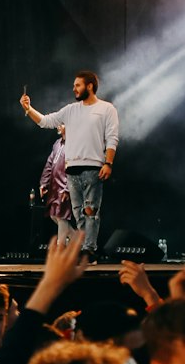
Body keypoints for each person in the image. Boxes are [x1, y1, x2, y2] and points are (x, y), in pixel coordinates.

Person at [20, 70, 119, 262]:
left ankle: (89, 249)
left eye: (78, 85)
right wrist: (28, 109)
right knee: (77, 212)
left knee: (91, 210)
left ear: (89, 86)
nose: (74, 88)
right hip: (72, 168)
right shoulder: (71, 110)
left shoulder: (106, 109)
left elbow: (112, 138)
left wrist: (108, 162)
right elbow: (46, 122)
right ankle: (84, 248)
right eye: (74, 85)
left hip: (93, 166)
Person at [40, 126, 74, 244]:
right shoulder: (57, 143)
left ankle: (61, 247)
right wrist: (43, 183)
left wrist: (68, 188)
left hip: (65, 184)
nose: (58, 126)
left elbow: (74, 167)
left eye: (62, 123)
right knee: (54, 215)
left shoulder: (74, 144)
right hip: (55, 185)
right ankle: (78, 243)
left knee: (61, 216)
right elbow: (49, 164)